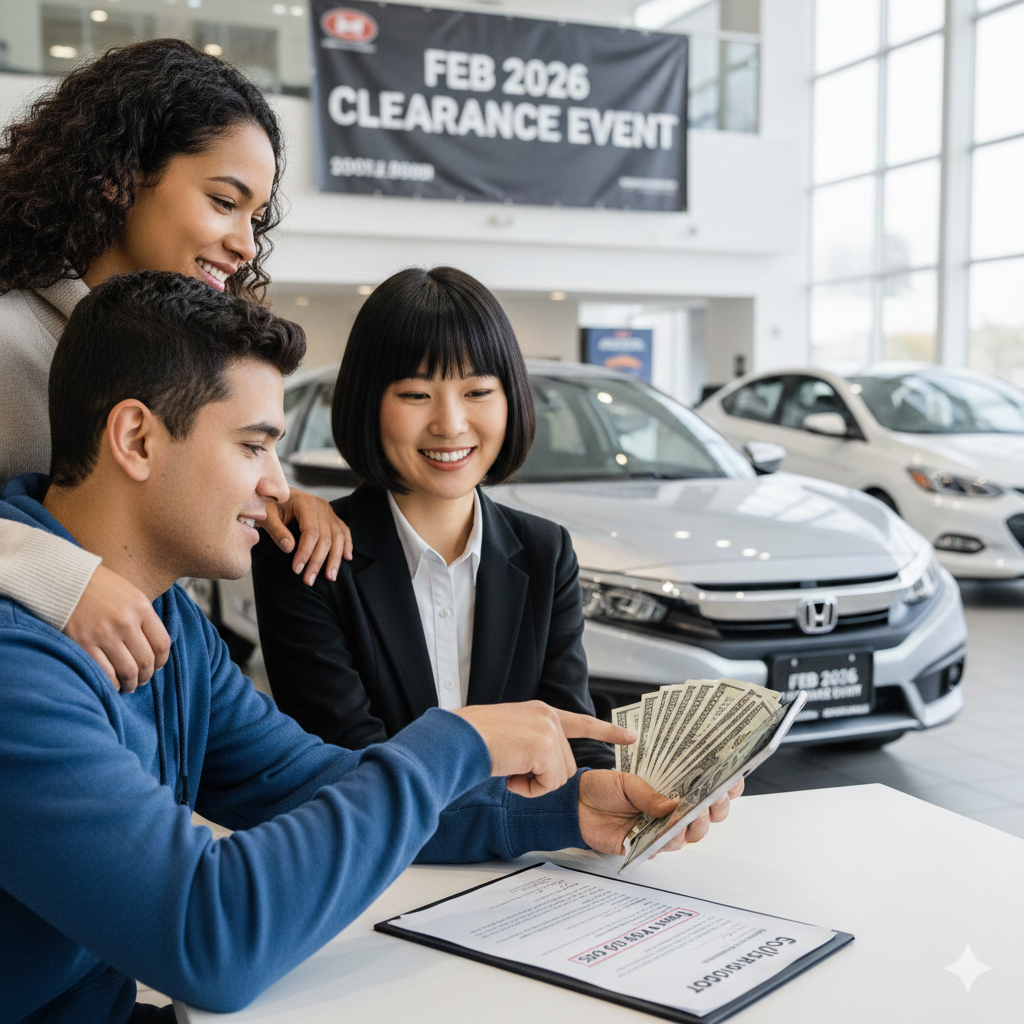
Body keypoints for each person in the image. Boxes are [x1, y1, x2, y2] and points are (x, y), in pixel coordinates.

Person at [0, 271, 740, 1021]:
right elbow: (209, 939)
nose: (278, 486)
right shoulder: (17, 664)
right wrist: (454, 743)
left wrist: (565, 812)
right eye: (253, 446)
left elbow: (307, 779)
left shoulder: (167, 622)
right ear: (136, 438)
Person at [0, 38, 351, 697]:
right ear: (117, 175)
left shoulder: (180, 352)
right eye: (224, 202)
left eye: (257, 216)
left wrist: (265, 492)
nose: (246, 245)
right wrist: (53, 572)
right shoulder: (7, 336)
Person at [252, 267, 613, 767]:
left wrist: (626, 801)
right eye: (416, 395)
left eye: (478, 392)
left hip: (528, 849)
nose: (450, 424)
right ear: (367, 403)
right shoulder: (310, 556)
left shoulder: (545, 552)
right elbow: (349, 764)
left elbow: (570, 734)